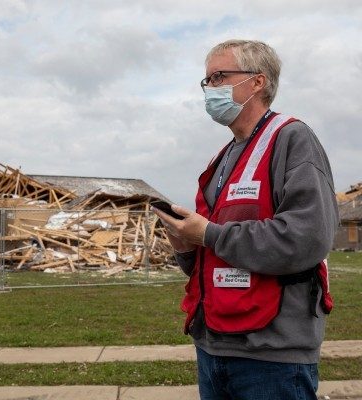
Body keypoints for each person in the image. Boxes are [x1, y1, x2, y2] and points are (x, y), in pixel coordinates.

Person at [152, 39, 339, 400]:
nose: (210, 89)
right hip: (213, 346)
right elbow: (211, 254)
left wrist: (208, 234)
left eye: (220, 77)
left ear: (257, 82)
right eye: (207, 81)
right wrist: (185, 245)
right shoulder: (221, 159)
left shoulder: (292, 139)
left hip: (272, 356)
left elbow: (308, 238)